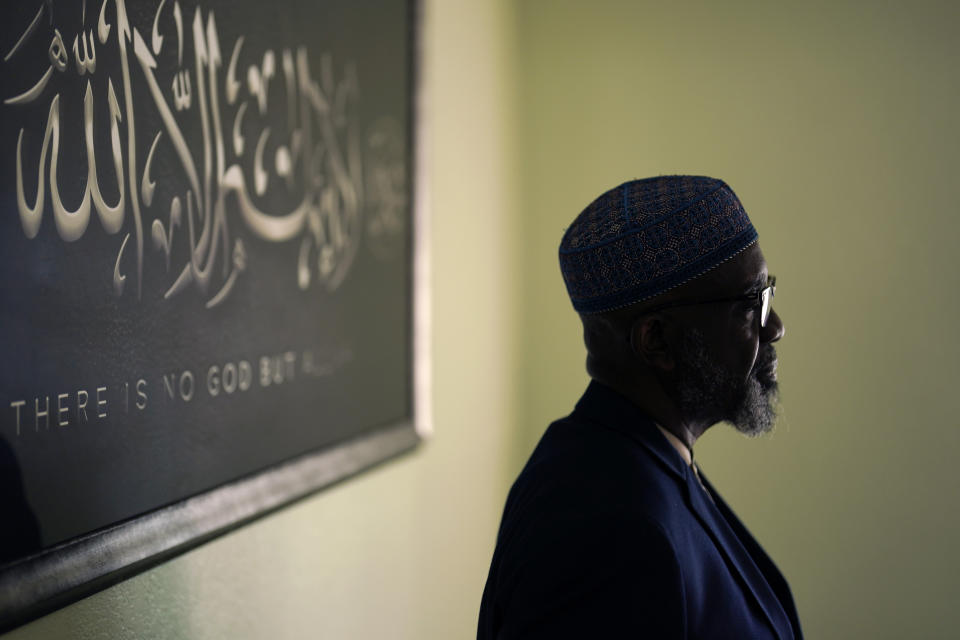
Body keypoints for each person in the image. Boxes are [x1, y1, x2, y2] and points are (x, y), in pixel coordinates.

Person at [478, 175, 803, 639]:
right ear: (657, 341)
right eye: (751, 304)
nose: (775, 328)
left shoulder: (645, 459)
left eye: (767, 294)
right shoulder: (606, 533)